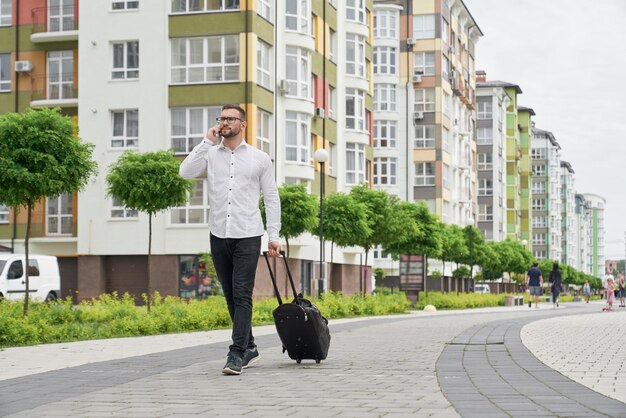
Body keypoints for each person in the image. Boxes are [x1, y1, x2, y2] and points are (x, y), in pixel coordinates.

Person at [179, 104, 281, 375]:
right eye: (222, 118)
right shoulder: (211, 154)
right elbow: (185, 172)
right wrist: (206, 141)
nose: (225, 122)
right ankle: (249, 346)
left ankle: (236, 354)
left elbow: (271, 198)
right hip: (219, 233)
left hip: (248, 234)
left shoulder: (260, 158)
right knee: (230, 296)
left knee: (242, 294)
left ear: (243, 124)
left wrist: (274, 236)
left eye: (230, 118)